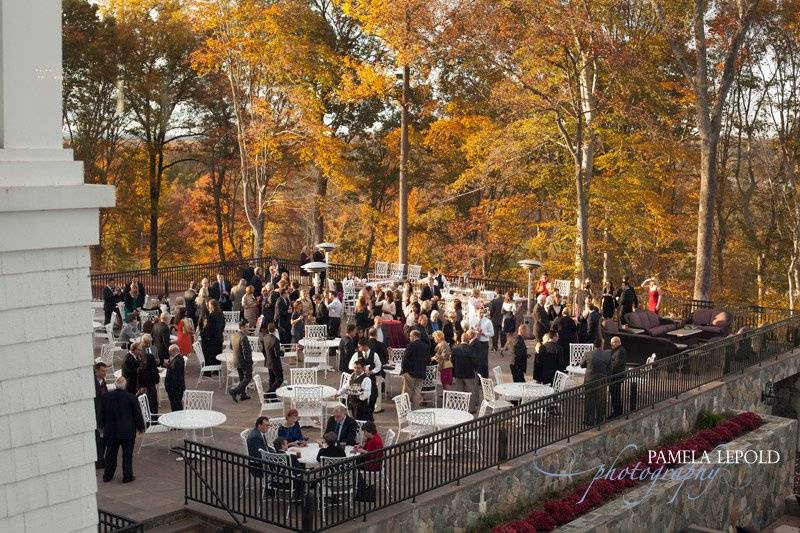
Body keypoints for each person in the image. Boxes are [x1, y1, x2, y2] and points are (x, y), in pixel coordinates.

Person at [101, 376, 145, 483]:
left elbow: (102, 413)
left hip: (111, 431)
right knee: (127, 454)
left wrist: (101, 426)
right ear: (125, 385)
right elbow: (137, 414)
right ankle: (127, 476)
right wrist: (141, 428)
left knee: (110, 454)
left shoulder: (106, 397)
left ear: (115, 385)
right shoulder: (131, 398)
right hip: (127, 431)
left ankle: (108, 475)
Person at [583, 343, 611, 426]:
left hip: (590, 381)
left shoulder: (588, 354)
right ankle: (600, 420)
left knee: (589, 401)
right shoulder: (607, 355)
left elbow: (582, 365)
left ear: (594, 346)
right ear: (602, 345)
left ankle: (589, 420)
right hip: (602, 381)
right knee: (601, 400)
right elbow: (610, 368)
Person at [401, 330, 429, 409]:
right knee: (417, 392)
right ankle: (415, 410)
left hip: (410, 373)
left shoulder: (411, 345)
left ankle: (405, 409)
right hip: (421, 373)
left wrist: (404, 371)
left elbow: (404, 359)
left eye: (410, 336)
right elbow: (428, 360)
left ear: (414, 336)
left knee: (407, 392)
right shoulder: (425, 346)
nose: (409, 338)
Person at [452, 331, 479, 412]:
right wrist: (475, 369)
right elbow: (475, 361)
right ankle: (471, 409)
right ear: (468, 340)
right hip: (468, 373)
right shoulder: (471, 349)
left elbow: (452, 361)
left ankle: (460, 407)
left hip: (458, 373)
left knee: (459, 391)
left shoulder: (455, 348)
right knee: (471, 391)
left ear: (461, 339)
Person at [228, 319, 254, 403]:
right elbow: (246, 352)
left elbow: (231, 347)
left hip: (236, 360)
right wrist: (250, 362)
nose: (248, 328)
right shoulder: (243, 337)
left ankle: (243, 395)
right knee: (248, 377)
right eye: (246, 327)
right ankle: (235, 391)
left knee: (242, 378)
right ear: (242, 327)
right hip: (244, 362)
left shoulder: (233, 335)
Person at [200, 299, 225, 371]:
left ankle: (207, 370)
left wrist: (202, 333)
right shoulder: (221, 314)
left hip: (211, 339)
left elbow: (208, 328)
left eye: (209, 305)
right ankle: (217, 370)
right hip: (219, 338)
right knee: (217, 353)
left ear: (213, 306)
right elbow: (223, 325)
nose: (208, 307)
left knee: (208, 353)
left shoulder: (211, 316)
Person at [261, 322, 284, 395]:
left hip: (268, 361)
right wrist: (282, 352)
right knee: (279, 380)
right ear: (275, 330)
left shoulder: (264, 338)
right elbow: (277, 354)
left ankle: (272, 397)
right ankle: (268, 394)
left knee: (272, 379)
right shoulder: (275, 340)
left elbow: (263, 351)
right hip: (275, 363)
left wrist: (267, 357)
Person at [469, 305, 493, 377]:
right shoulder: (473, 320)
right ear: (476, 313)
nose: (481, 314)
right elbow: (470, 330)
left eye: (482, 312)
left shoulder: (487, 321)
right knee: (476, 360)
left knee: (484, 361)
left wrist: (484, 333)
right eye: (480, 313)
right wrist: (473, 332)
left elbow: (492, 333)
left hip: (484, 342)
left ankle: (485, 377)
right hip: (475, 341)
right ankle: (477, 377)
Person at [137, 340, 160, 414]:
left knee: (144, 407)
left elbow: (139, 381)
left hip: (143, 390)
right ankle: (153, 420)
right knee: (153, 406)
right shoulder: (154, 370)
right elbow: (157, 380)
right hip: (152, 390)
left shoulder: (140, 370)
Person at [94, 362, 109, 468]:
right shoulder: (94, 383)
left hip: (103, 414)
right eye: (103, 371)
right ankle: (99, 460)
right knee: (98, 438)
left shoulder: (102, 381)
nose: (105, 373)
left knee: (102, 438)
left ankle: (101, 458)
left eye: (106, 371)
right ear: (97, 371)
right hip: (97, 415)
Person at [609, 336, 628, 418]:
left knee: (615, 394)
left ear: (617, 342)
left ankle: (617, 412)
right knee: (614, 394)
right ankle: (617, 410)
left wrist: (608, 370)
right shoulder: (617, 350)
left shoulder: (620, 351)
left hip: (616, 376)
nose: (611, 344)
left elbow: (615, 365)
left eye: (612, 342)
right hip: (615, 376)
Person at [164, 344, 186, 411]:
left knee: (176, 405)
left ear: (173, 351)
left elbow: (174, 374)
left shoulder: (177, 360)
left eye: (169, 351)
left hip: (175, 388)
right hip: (176, 387)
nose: (169, 353)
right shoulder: (178, 359)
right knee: (176, 405)